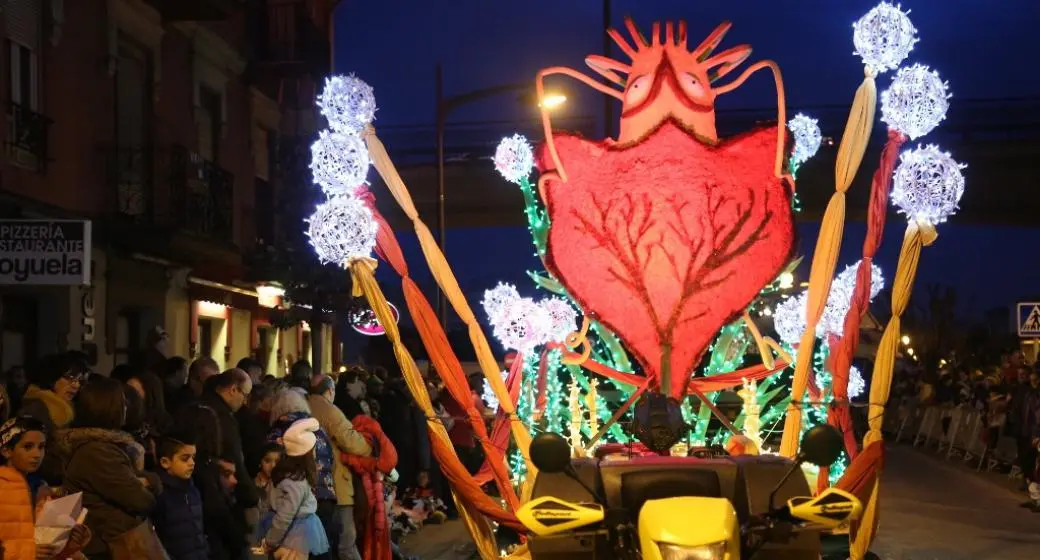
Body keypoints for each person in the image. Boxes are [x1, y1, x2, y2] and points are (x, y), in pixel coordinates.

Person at [62, 376, 162, 558]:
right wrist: (150, 482)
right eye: (122, 403)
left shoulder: (104, 447)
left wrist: (146, 480)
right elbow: (141, 500)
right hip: (108, 546)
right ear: (107, 408)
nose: (126, 408)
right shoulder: (97, 452)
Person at [0, 416, 91, 559]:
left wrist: (71, 541)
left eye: (41, 447)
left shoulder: (42, 489)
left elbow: (48, 547)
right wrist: (27, 553)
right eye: (28, 447)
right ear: (6, 450)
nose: (37, 454)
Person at [308, 374, 372, 559]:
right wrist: (370, 447)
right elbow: (350, 441)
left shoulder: (304, 406)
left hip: (310, 484)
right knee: (346, 542)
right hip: (336, 483)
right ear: (330, 391)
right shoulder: (329, 410)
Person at [260, 418, 331, 559]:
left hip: (291, 534)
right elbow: (286, 514)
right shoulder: (295, 481)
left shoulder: (285, 476)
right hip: (296, 536)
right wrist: (270, 542)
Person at [19, 352, 89, 485]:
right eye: (70, 378)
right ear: (52, 377)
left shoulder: (72, 409)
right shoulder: (35, 408)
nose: (75, 385)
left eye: (79, 381)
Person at [198, 370, 259, 511]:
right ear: (233, 390)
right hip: (216, 491)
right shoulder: (223, 418)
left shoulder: (197, 405)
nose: (245, 402)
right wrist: (251, 496)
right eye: (245, 395)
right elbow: (234, 458)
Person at [153, 433, 208, 560]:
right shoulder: (160, 494)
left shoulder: (193, 490)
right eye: (185, 458)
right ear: (165, 462)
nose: (192, 463)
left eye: (193, 457)